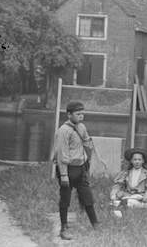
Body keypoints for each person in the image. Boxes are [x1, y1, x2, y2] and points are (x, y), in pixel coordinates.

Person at [53, 100, 99, 240]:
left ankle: (96, 225)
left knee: (87, 197)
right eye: (78, 114)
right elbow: (61, 155)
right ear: (69, 114)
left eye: (82, 113)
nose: (81, 116)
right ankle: (64, 228)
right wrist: (64, 175)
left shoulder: (81, 127)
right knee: (65, 199)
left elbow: (86, 140)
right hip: (67, 169)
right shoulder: (63, 131)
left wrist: (88, 145)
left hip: (81, 169)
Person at [109, 147, 147, 215]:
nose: (137, 162)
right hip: (128, 195)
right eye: (135, 159)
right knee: (114, 203)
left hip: (141, 198)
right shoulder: (126, 173)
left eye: (139, 160)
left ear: (143, 161)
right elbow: (118, 185)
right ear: (131, 161)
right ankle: (122, 205)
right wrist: (113, 195)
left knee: (131, 202)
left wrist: (143, 198)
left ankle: (126, 205)